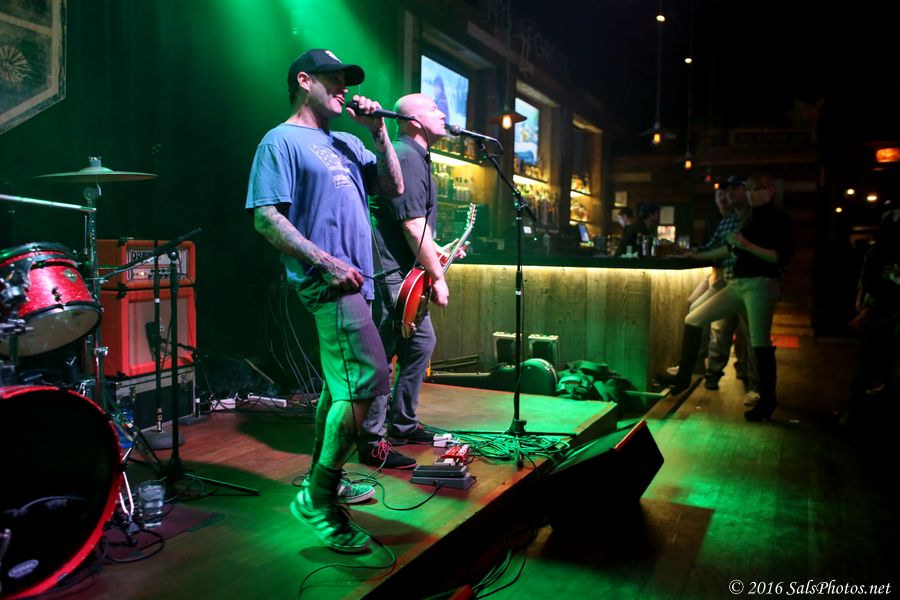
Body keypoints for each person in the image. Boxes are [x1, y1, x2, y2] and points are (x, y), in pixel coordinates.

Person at [246, 48, 403, 553]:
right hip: (329, 281)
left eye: (346, 81)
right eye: (333, 79)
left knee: (340, 391)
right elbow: (266, 217)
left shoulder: (347, 141)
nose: (344, 88)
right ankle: (318, 498)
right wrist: (327, 263)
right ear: (303, 81)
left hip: (359, 280)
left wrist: (379, 132)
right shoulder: (280, 141)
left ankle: (323, 482)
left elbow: (393, 187)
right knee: (367, 382)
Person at [360, 93, 458, 468]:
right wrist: (438, 276)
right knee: (383, 356)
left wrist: (438, 252)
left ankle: (402, 424)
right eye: (434, 108)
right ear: (414, 121)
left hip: (405, 273)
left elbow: (418, 226)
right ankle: (372, 441)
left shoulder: (418, 157)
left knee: (420, 343)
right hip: (389, 273)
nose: (442, 113)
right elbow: (412, 225)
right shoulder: (405, 155)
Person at [658, 173, 793, 422]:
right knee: (694, 318)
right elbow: (727, 250)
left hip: (761, 284)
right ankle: (684, 377)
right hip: (737, 284)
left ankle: (767, 400)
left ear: (771, 191)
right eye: (750, 190)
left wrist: (745, 245)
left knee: (759, 342)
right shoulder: (749, 217)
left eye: (758, 189)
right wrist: (694, 256)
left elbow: (779, 257)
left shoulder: (779, 218)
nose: (752, 194)